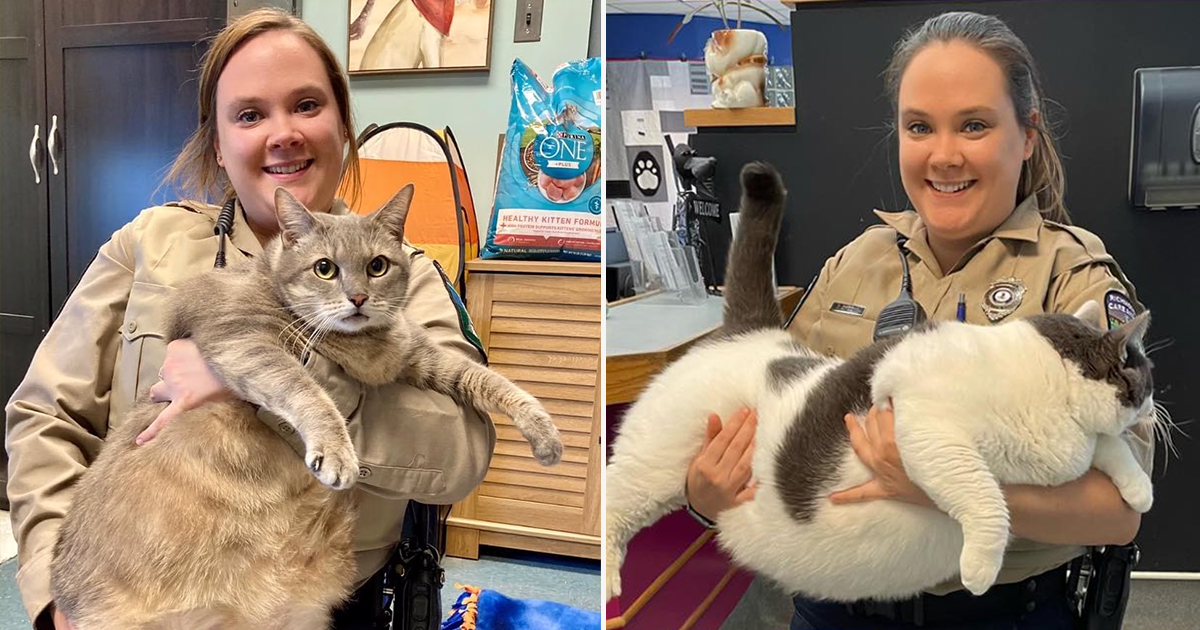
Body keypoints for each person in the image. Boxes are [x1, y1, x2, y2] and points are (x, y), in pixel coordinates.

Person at [4, 9, 495, 630]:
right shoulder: (147, 247)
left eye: (307, 105)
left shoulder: (404, 277)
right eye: (250, 114)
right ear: (219, 141)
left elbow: (463, 454)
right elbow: (44, 416)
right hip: (151, 606)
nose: (282, 133)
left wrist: (272, 387)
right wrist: (59, 599)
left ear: (343, 127)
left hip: (321, 607)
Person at [685, 11, 1154, 630]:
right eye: (919, 127)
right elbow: (764, 413)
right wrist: (704, 492)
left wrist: (942, 486)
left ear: (1028, 135)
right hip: (835, 602)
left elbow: (1119, 511)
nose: (944, 155)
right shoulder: (856, 263)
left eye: (975, 125)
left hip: (995, 611)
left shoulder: (1073, 281)